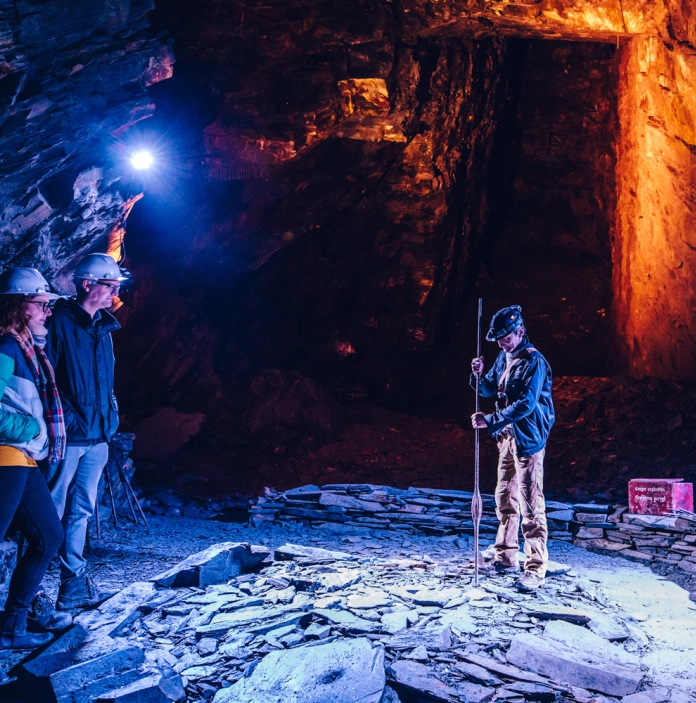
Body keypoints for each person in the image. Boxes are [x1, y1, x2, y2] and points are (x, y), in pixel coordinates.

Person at [44, 253, 125, 610]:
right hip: (69, 437)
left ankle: (71, 584)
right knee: (47, 511)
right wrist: (67, 424)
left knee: (81, 511)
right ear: (87, 284)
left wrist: (110, 423)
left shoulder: (104, 328)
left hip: (98, 437)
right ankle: (27, 593)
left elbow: (106, 383)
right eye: (110, 286)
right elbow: (46, 380)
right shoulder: (59, 323)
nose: (114, 293)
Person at [0, 267, 71, 650]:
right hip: (4, 456)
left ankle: (12, 628)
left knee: (49, 536)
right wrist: (29, 428)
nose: (47, 311)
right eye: (41, 304)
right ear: (19, 305)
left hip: (21, 460)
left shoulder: (27, 348)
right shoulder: (6, 347)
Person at [470, 305, 554, 592]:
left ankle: (535, 567)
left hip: (528, 440)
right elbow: (489, 389)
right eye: (498, 339)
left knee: (531, 502)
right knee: (505, 496)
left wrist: (490, 419)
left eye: (505, 337)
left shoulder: (535, 362)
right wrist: (479, 376)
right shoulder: (504, 356)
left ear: (520, 331)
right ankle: (505, 556)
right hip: (506, 437)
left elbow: (526, 404)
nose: (501, 342)